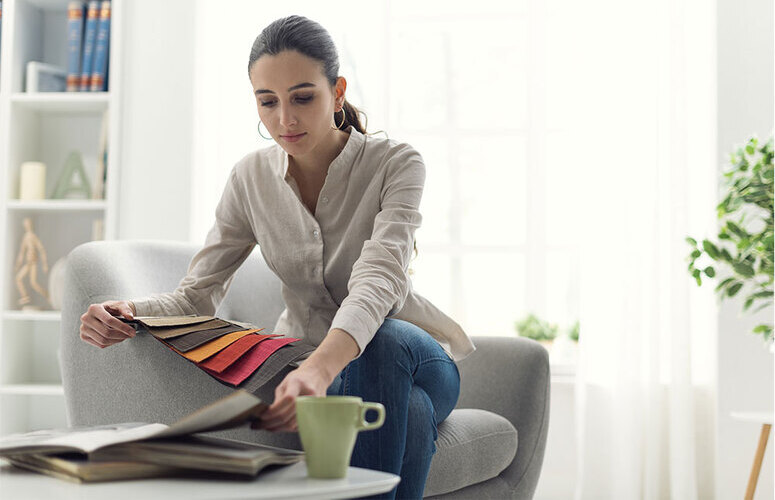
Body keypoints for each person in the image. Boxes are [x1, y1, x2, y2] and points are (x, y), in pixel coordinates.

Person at [78, 15, 475, 499]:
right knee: (407, 414)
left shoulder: (397, 163)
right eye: (268, 102)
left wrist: (318, 368)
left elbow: (378, 278)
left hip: (417, 358)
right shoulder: (249, 179)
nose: (285, 119)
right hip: (318, 366)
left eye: (303, 97)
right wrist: (129, 311)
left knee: (385, 339)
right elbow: (198, 295)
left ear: (338, 91)